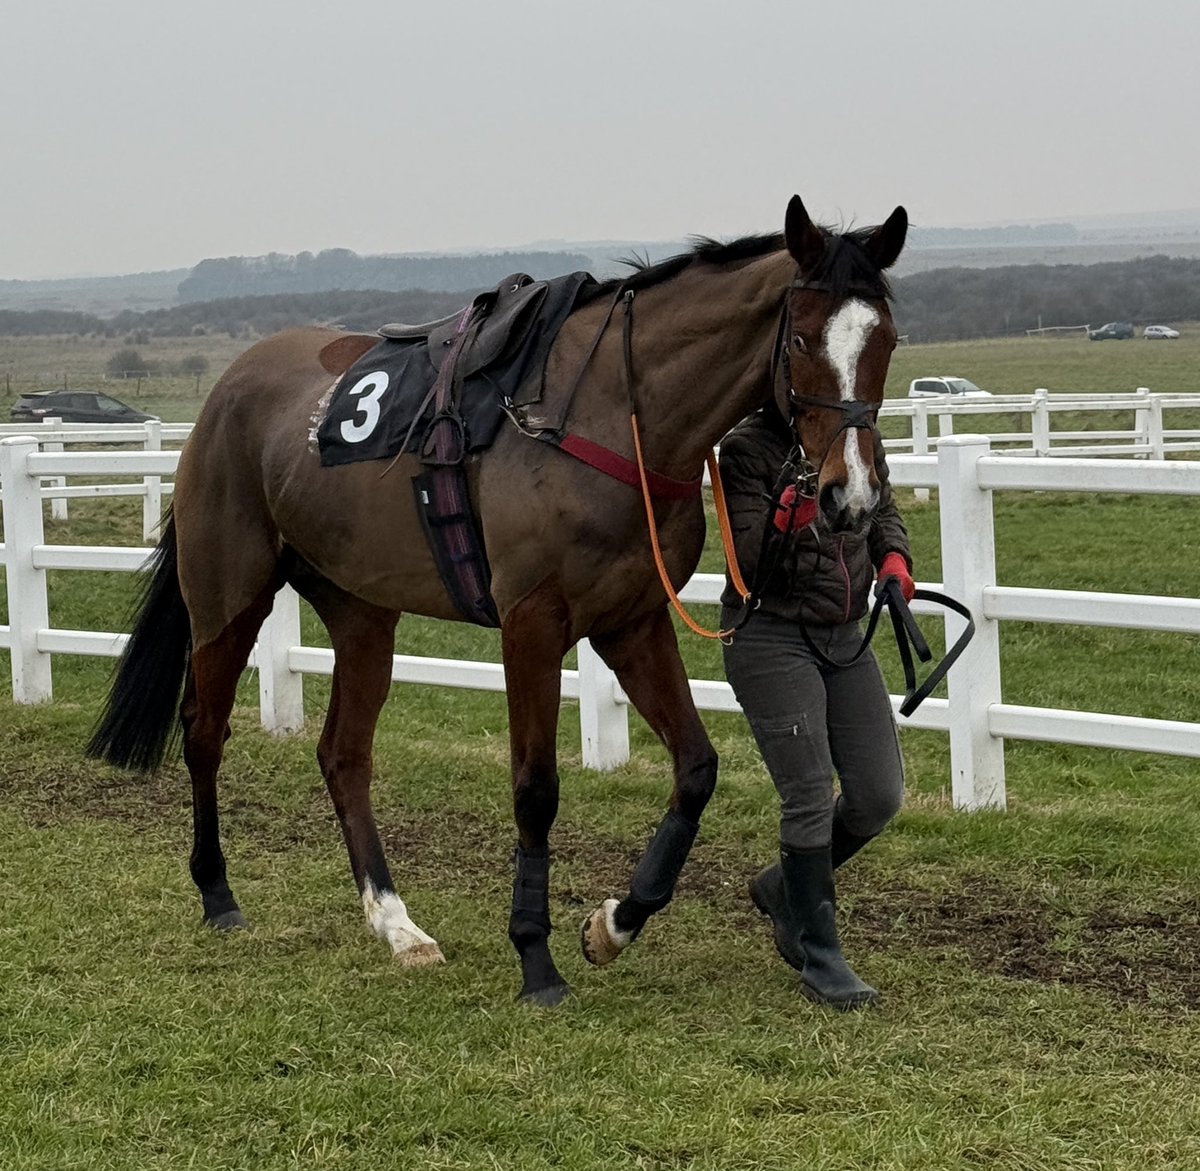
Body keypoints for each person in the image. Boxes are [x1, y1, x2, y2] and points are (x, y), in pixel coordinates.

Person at [719, 404, 914, 1011]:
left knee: (879, 794)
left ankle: (784, 890)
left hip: (843, 634)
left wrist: (893, 560)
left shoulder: (858, 439)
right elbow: (749, 561)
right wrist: (794, 508)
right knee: (806, 793)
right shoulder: (747, 451)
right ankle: (820, 954)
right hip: (769, 636)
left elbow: (883, 509)